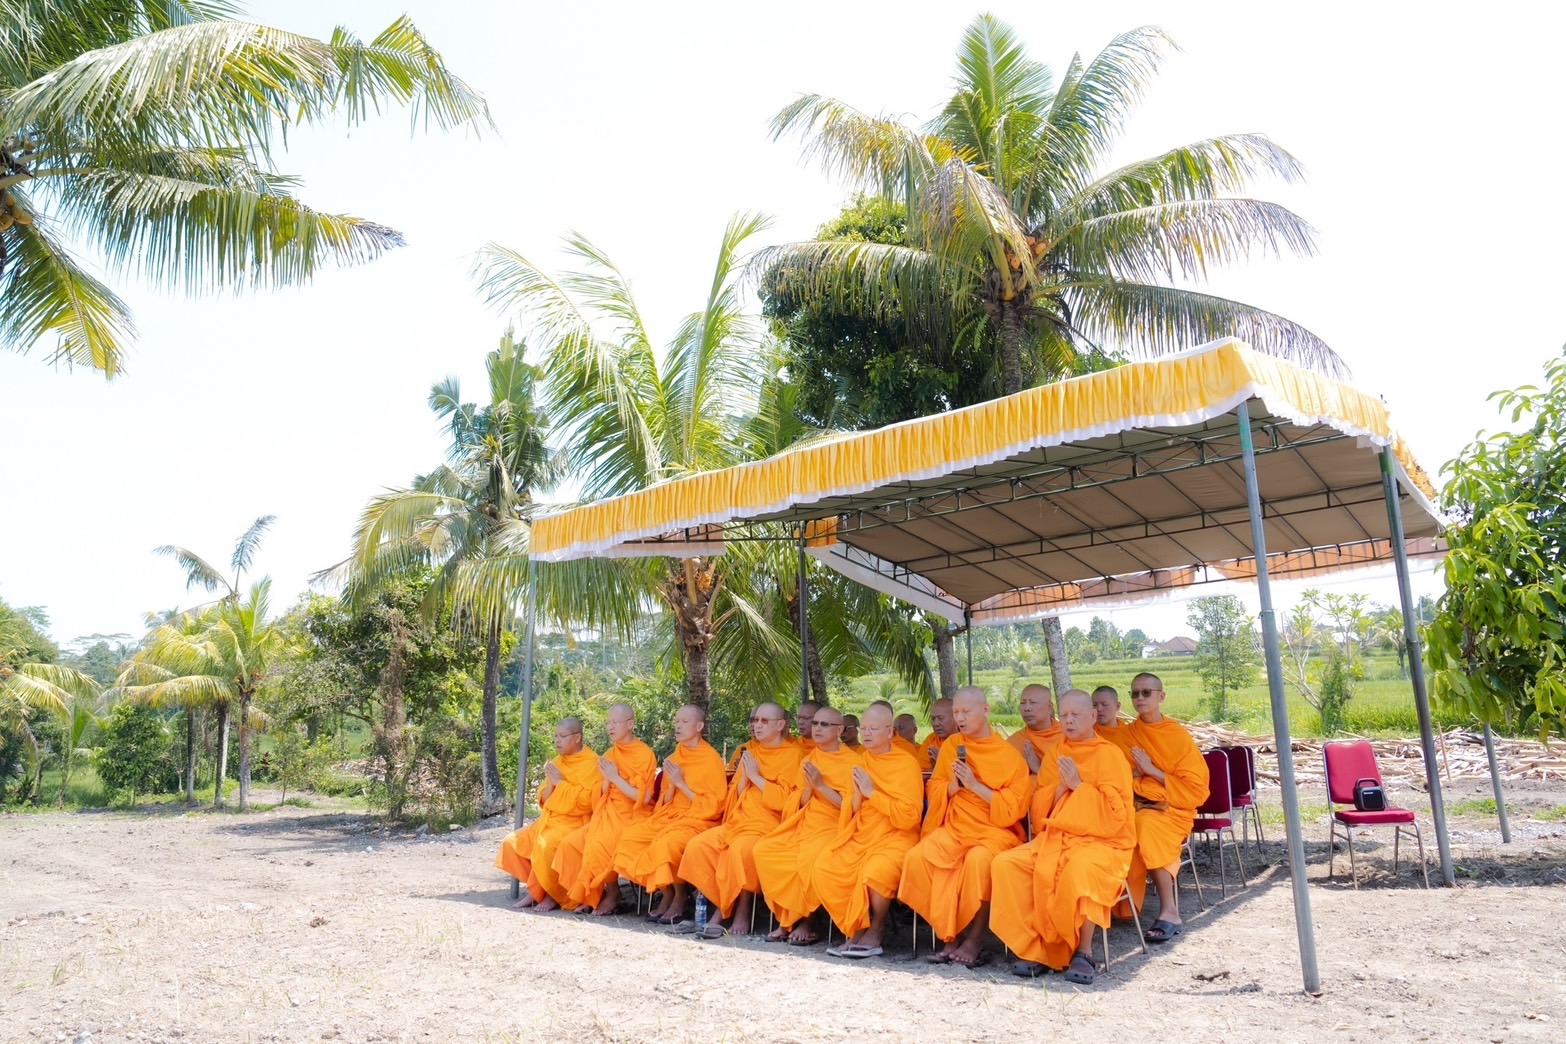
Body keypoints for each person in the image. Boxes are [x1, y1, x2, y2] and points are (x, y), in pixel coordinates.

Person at [990, 690, 1136, 983]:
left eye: (1076, 716)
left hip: (1103, 841)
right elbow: (1040, 803)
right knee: (1005, 864)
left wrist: (1079, 786)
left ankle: (1083, 952)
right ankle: (1035, 947)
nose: (1068, 721)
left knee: (1080, 870)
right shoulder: (1058, 751)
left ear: (1092, 717)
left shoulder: (1110, 754)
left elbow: (1116, 814)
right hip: (1056, 837)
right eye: (1065, 715)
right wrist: (1061, 789)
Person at [898, 687, 1030, 967]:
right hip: (956, 827)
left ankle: (976, 938)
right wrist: (951, 786)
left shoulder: (1008, 755)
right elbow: (934, 785)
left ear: (985, 710)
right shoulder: (952, 746)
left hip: (994, 832)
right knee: (916, 859)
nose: (960, 717)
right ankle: (951, 933)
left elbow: (1014, 808)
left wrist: (975, 786)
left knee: (978, 861)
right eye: (956, 712)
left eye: (966, 711)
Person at [676, 702, 803, 938]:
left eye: (765, 721)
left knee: (739, 850)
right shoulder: (751, 753)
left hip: (769, 825)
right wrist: (746, 779)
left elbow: (790, 801)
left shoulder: (794, 755)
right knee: (698, 846)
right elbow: (734, 793)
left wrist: (755, 776)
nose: (758, 725)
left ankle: (731, 912)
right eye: (755, 721)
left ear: (780, 725)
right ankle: (715, 907)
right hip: (739, 821)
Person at [814, 701, 923, 959]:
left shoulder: (905, 763)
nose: (867, 733)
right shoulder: (860, 762)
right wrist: (858, 796)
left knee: (876, 871)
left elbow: (909, 816)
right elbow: (851, 807)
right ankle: (855, 927)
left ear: (889, 731)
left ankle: (877, 927)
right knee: (824, 867)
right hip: (863, 833)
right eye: (864, 728)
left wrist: (872, 793)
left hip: (897, 835)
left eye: (874, 728)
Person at [752, 706, 862, 945]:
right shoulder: (809, 758)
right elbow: (796, 800)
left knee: (810, 858)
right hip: (805, 821)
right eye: (816, 724)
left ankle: (807, 921)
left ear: (840, 730)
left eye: (825, 725)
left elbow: (851, 807)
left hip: (835, 826)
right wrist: (810, 789)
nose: (818, 729)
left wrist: (821, 787)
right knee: (765, 850)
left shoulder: (853, 762)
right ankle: (787, 919)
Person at [612, 705, 727, 925]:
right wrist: (674, 785)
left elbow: (715, 806)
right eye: (676, 722)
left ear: (699, 726)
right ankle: (666, 893)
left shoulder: (710, 759)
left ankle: (680, 896)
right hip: (670, 816)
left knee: (667, 843)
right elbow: (665, 797)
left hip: (699, 820)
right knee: (631, 837)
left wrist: (681, 784)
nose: (678, 726)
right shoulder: (676, 755)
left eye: (684, 722)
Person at [1121, 673, 1208, 943]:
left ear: (1161, 696)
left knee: (1146, 827)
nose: (1140, 698)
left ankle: (1170, 910)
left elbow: (1196, 787)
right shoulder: (1128, 734)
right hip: (1135, 805)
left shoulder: (1177, 736)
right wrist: (1138, 776)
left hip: (1172, 809)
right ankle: (1115, 906)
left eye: (1146, 692)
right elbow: (1121, 773)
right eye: (1135, 693)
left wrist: (1151, 771)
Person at [554, 703, 659, 915]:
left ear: (630, 724)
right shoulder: (610, 753)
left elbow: (644, 797)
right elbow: (600, 793)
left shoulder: (644, 754)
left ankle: (612, 893)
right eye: (608, 723)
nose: (610, 727)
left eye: (615, 723)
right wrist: (605, 783)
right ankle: (589, 894)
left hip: (633, 815)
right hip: (607, 814)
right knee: (571, 843)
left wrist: (614, 778)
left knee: (600, 843)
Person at [495, 718, 598, 911]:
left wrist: (561, 783)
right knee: (512, 842)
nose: (557, 740)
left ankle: (551, 895)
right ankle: (539, 889)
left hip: (575, 822)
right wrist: (552, 783)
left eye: (562, 736)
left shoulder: (592, 763)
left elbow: (588, 801)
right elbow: (543, 798)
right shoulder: (558, 762)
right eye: (556, 736)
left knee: (546, 845)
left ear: (577, 737)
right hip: (549, 819)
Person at [1007, 683, 1063, 777]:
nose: (1027, 708)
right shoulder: (1014, 742)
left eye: (1033, 703)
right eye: (1023, 703)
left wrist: (1038, 769)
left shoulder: (1067, 736)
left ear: (1049, 707)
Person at [1092, 686, 1133, 756]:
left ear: (1117, 706)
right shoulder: (1087, 732)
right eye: (1094, 705)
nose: (1099, 709)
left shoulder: (1130, 733)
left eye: (1104, 705)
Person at [919, 697, 954, 769]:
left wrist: (942, 762)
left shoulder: (966, 740)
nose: (936, 723)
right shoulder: (931, 740)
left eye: (941, 718)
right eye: (933, 719)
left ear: (955, 717)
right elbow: (920, 773)